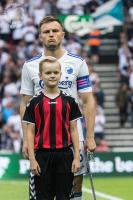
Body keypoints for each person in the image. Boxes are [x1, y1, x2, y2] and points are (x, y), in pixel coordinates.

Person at [20, 16, 96, 200]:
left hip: (72, 136)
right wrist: (25, 140)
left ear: (62, 34)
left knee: (74, 185)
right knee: (40, 189)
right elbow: (25, 103)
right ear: (40, 36)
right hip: (41, 139)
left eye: (55, 31)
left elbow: (87, 100)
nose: (51, 35)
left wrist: (91, 136)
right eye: (46, 32)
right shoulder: (30, 66)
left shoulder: (78, 63)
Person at [23, 57, 81, 200]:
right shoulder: (34, 103)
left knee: (64, 197)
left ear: (61, 74)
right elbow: (30, 132)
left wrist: (76, 157)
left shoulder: (70, 101)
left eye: (56, 72)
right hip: (42, 156)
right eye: (48, 73)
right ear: (40, 75)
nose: (52, 75)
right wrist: (32, 159)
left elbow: (74, 130)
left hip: (65, 155)